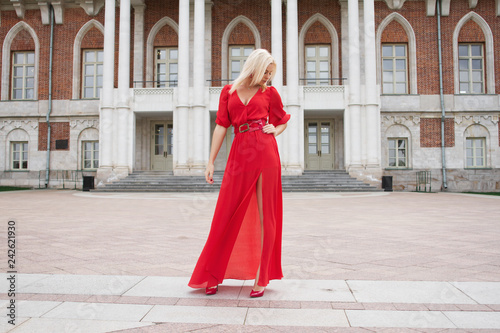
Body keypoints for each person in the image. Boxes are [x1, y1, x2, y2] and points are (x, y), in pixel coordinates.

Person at [188, 49, 290, 298]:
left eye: (270, 73)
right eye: (265, 71)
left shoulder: (270, 93)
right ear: (253, 67)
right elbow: (221, 126)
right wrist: (210, 161)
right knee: (225, 213)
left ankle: (262, 277)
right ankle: (212, 273)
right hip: (239, 155)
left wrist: (274, 131)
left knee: (268, 216)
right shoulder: (228, 92)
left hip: (266, 153)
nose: (267, 76)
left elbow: (283, 119)